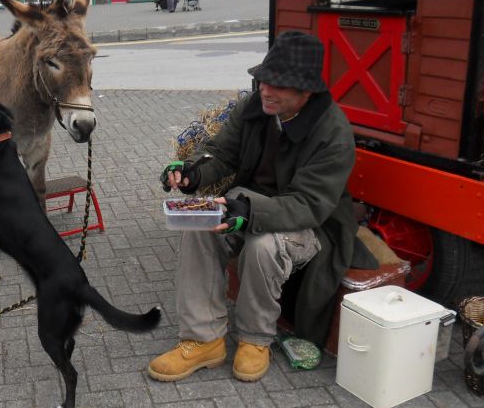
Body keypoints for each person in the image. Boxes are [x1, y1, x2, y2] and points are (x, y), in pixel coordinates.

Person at [150, 31, 369, 383]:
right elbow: (221, 153)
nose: (266, 89)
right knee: (198, 224)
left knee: (263, 243)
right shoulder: (253, 108)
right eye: (264, 79)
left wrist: (249, 213)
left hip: (312, 223)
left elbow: (310, 205)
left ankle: (255, 338)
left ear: (306, 92)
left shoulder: (332, 133)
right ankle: (204, 339)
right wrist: (191, 173)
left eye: (278, 85)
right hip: (249, 204)